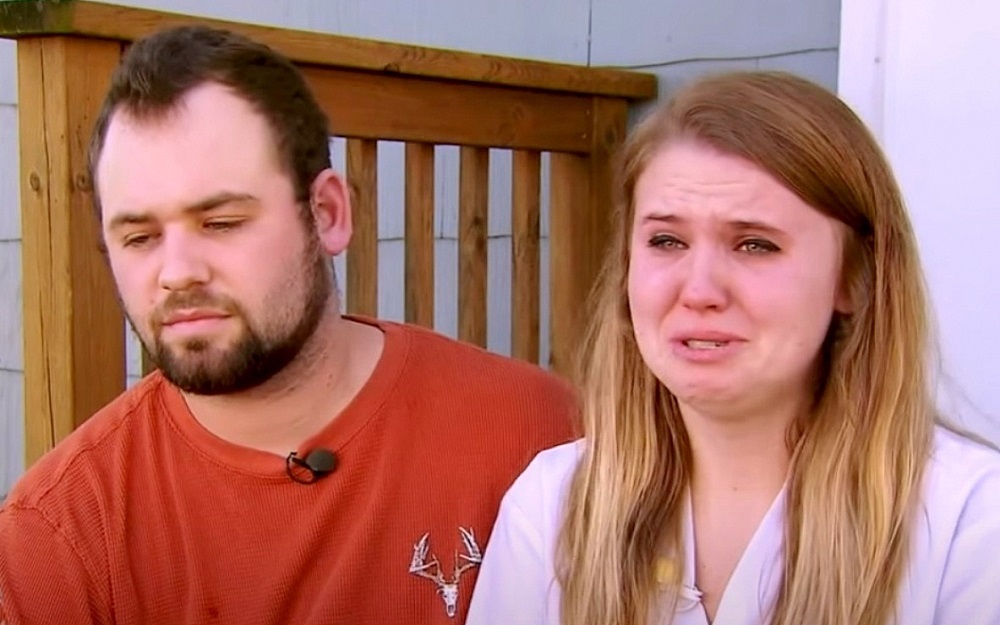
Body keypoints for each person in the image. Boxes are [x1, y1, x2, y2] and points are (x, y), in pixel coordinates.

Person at [0, 25, 578, 625]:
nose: (177, 273)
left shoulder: (536, 436)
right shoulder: (60, 534)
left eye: (221, 223)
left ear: (327, 214)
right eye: (140, 237)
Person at [465, 70, 1000, 625]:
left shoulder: (969, 525)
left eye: (755, 245)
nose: (699, 290)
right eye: (666, 240)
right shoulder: (553, 506)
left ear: (855, 276)